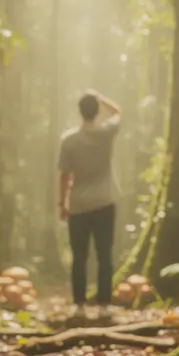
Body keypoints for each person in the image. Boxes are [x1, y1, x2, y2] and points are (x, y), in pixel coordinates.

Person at [58, 90, 122, 314]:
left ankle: (79, 306)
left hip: (78, 206)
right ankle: (104, 306)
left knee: (79, 257)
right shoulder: (106, 133)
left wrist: (62, 204)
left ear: (79, 112)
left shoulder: (69, 140)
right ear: (96, 111)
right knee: (105, 255)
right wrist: (100, 98)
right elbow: (118, 112)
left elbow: (65, 175)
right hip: (105, 202)